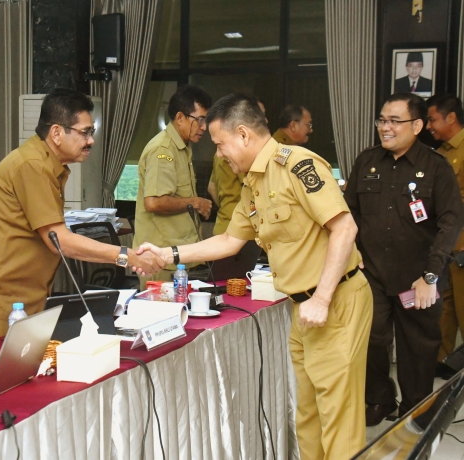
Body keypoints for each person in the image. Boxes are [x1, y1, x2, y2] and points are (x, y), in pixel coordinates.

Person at [138, 93, 372, 459]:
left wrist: (323, 298)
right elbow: (230, 241)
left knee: (338, 417)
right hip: (304, 309)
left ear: (244, 135)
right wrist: (167, 254)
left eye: (220, 144)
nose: (218, 154)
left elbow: (344, 228)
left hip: (335, 302)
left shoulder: (298, 165)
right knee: (309, 415)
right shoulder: (252, 182)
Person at [0, 88, 164, 346]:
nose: (91, 141)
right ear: (56, 133)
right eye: (85, 132)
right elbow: (59, 241)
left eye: (91, 132)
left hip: (23, 298)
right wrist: (127, 256)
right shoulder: (32, 165)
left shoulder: (48, 165)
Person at [344, 93, 464, 426]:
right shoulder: (366, 161)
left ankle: (416, 407)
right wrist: (351, 252)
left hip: (418, 277)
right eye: (382, 120)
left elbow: (451, 221)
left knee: (418, 348)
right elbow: (348, 213)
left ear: (417, 125)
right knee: (371, 341)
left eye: (394, 121)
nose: (385, 127)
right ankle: (380, 398)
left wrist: (430, 277)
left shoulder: (435, 166)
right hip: (372, 275)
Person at [132, 85, 213, 287]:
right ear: (180, 118)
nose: (204, 127)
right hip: (159, 258)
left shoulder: (182, 148)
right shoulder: (163, 150)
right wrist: (194, 203)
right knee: (160, 316)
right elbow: (153, 203)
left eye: (206, 121)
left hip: (174, 257)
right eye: (200, 120)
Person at [426, 94, 464, 378]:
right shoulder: (440, 154)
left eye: (432, 119)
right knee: (444, 308)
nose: (428, 126)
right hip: (444, 247)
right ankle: (442, 365)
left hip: (462, 246)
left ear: (451, 118)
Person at [207, 100, 266, 235]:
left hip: (224, 223)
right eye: (260, 116)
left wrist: (227, 208)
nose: (265, 121)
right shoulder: (242, 155)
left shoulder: (222, 151)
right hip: (242, 230)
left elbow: (211, 187)